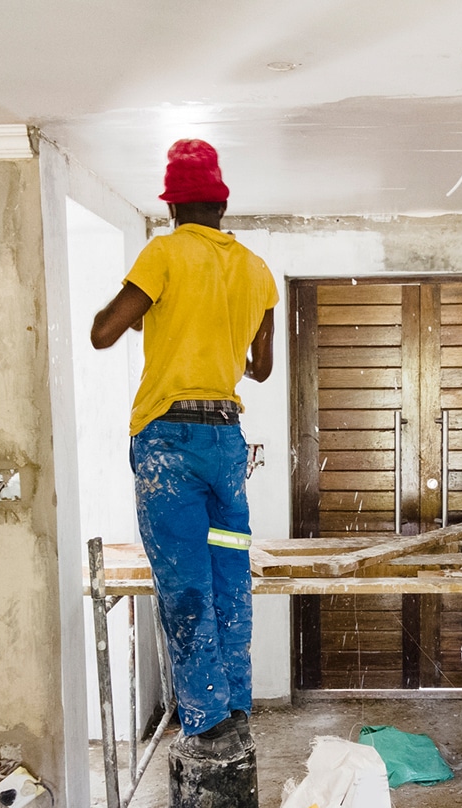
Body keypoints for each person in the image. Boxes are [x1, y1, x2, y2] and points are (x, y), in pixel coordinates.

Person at [91, 139, 278, 759]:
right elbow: (262, 368)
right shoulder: (255, 270)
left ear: (172, 206)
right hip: (226, 447)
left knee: (184, 578)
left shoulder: (164, 253)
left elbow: (102, 332)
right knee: (229, 572)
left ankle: (204, 718)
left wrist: (153, 309)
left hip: (171, 445)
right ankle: (235, 700)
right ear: (222, 204)